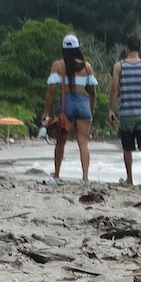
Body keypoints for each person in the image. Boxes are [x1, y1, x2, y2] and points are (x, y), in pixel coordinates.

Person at [42, 33, 97, 183]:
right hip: (82, 102)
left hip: (66, 103)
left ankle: (57, 174)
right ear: (78, 48)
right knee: (83, 142)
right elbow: (92, 92)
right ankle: (85, 176)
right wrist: (91, 108)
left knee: (61, 141)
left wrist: (47, 111)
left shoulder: (58, 65)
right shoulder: (87, 67)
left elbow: (52, 90)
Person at [108, 37, 141, 187]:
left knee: (127, 148)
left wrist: (111, 109)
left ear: (127, 49)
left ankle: (130, 178)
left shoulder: (119, 66)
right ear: (140, 49)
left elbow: (114, 89)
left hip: (127, 113)